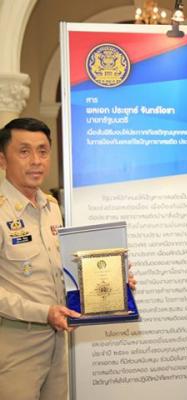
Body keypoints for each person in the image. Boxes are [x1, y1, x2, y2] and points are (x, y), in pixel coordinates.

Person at [0, 118, 136, 399]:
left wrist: (112, 283)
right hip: (15, 344)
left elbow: (61, 272)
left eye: (43, 151)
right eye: (24, 151)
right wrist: (44, 313)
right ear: (2, 160)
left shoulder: (51, 207)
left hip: (58, 340)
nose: (36, 161)